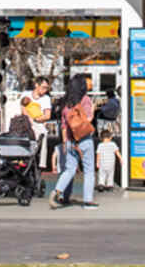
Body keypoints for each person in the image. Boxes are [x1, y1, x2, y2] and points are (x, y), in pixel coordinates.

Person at [51, 73, 97, 209]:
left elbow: (64, 125)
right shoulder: (85, 100)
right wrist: (93, 111)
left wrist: (65, 142)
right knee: (89, 171)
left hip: (71, 141)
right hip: (84, 140)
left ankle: (57, 192)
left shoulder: (66, 103)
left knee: (69, 169)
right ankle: (88, 201)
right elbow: (87, 120)